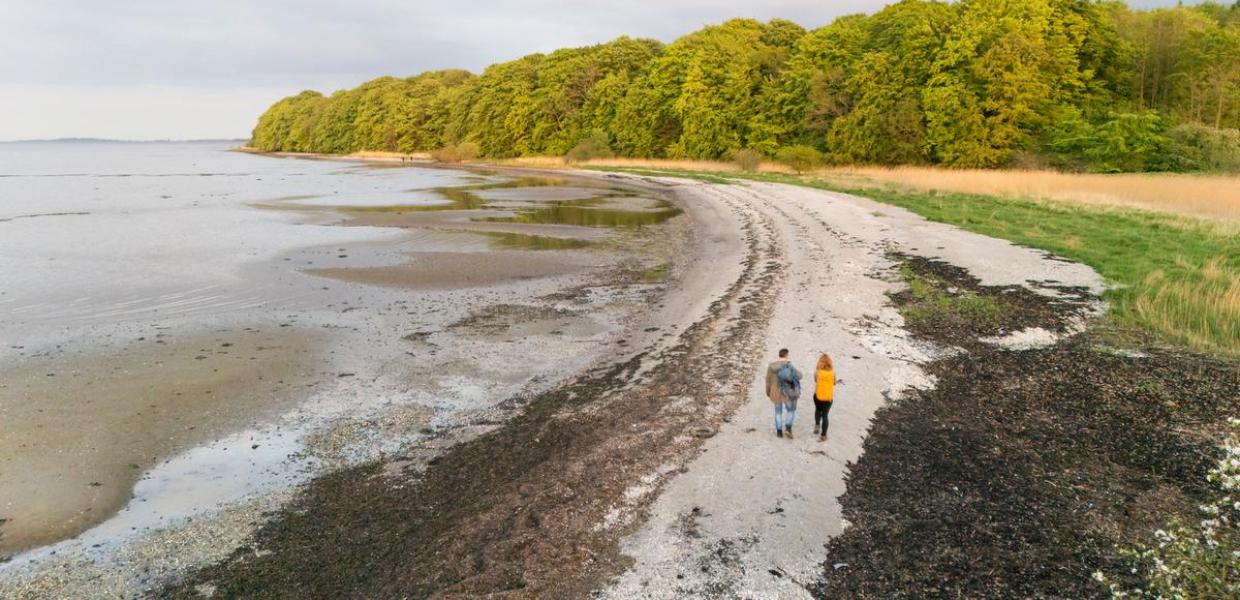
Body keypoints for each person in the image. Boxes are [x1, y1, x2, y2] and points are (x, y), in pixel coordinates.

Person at [765, 348, 801, 439]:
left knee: (778, 412)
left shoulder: (771, 366)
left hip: (775, 391)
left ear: (779, 355)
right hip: (787, 392)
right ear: (786, 355)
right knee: (791, 410)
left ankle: (779, 432)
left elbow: (767, 380)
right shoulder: (789, 365)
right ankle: (788, 428)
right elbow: (799, 376)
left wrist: (768, 391)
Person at [813, 353, 835, 442]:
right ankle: (823, 435)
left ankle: (817, 426)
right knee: (825, 415)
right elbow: (834, 383)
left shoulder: (817, 372)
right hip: (828, 397)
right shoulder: (833, 372)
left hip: (818, 395)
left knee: (818, 410)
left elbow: (815, 380)